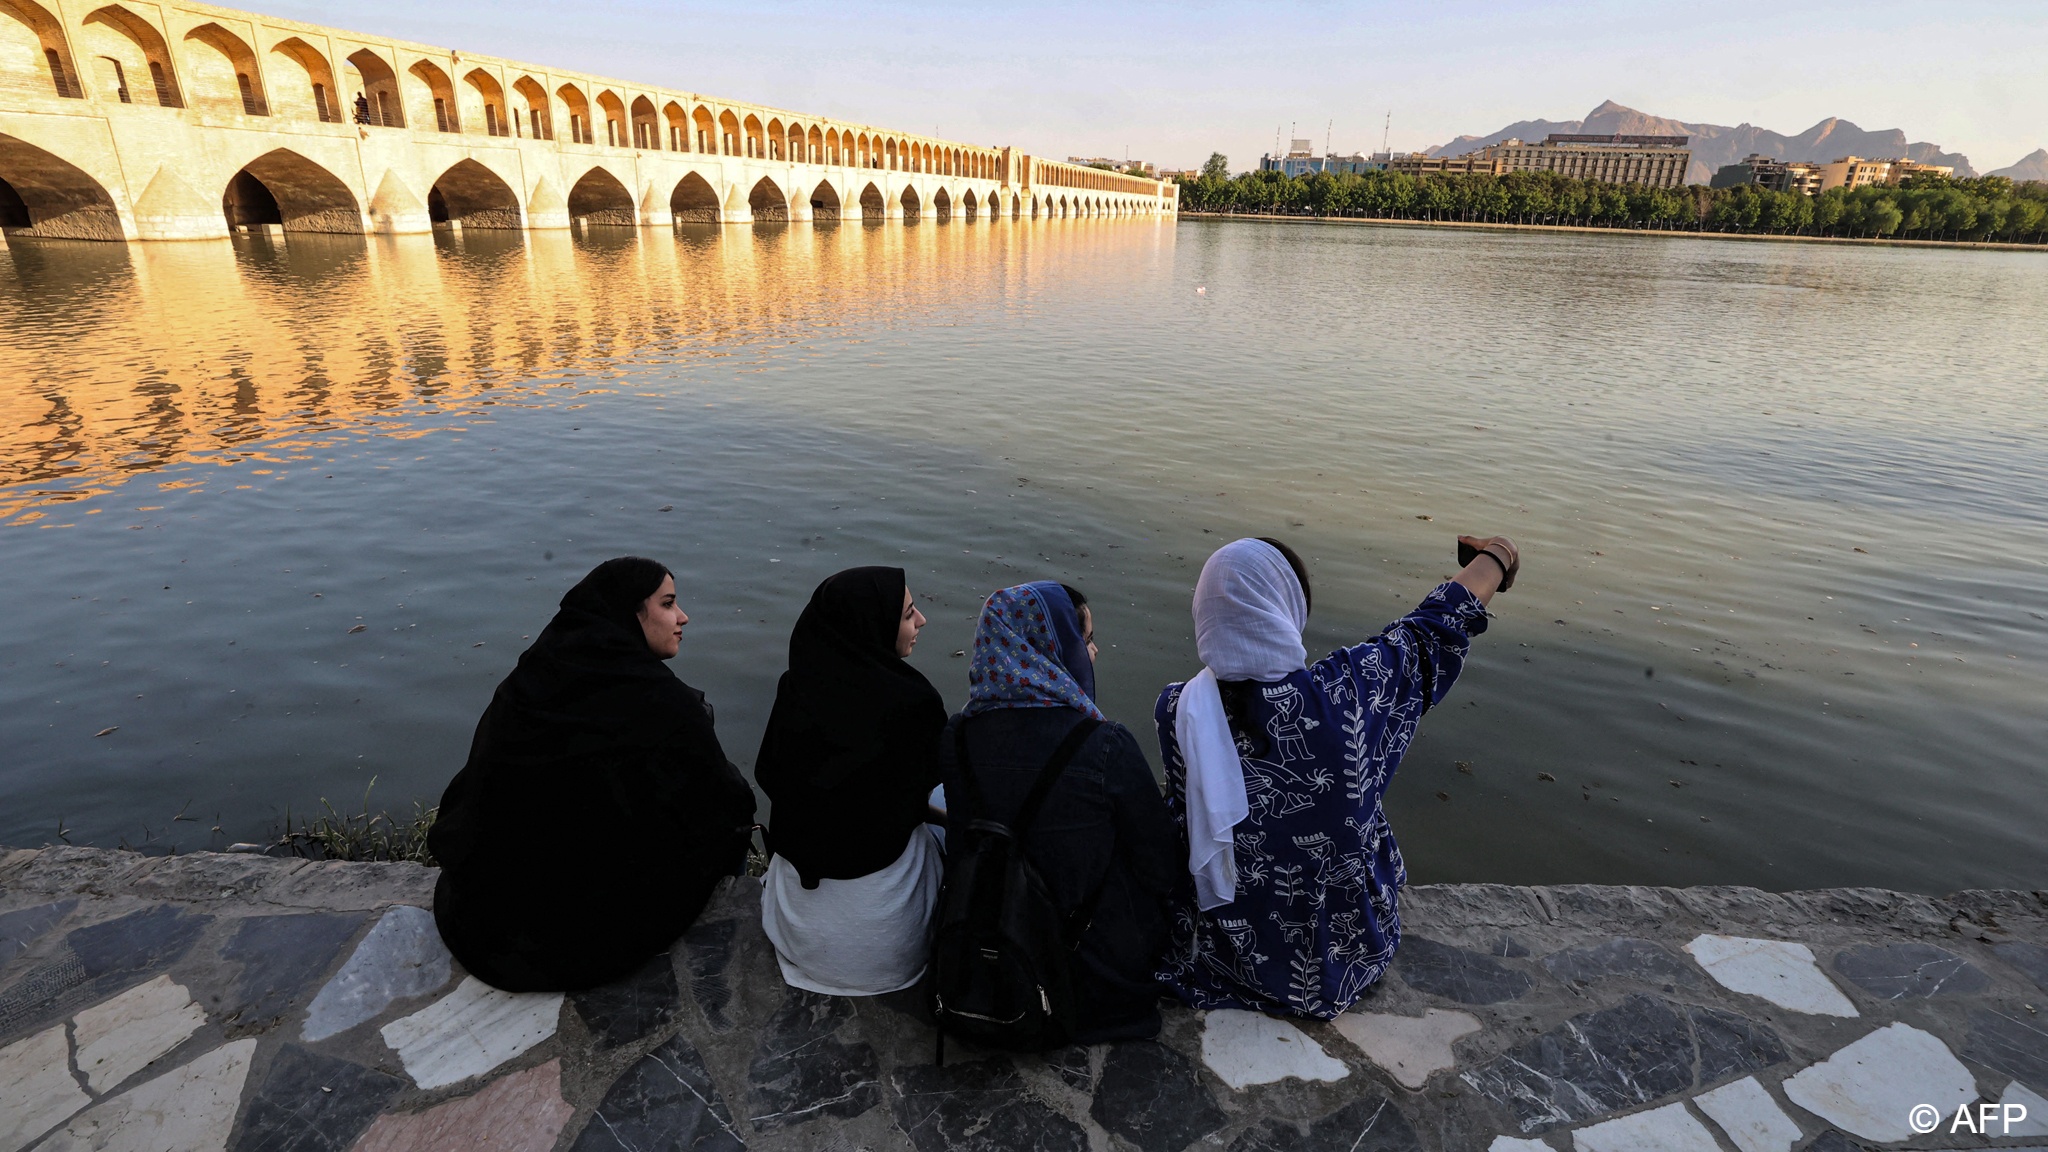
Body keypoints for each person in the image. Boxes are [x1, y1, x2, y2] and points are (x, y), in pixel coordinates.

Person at [1154, 535, 1517, 1019]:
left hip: (1228, 958)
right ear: (1287, 608)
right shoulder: (1347, 692)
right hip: (1347, 959)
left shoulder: (1179, 710)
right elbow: (1433, 628)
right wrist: (1497, 555)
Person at [428, 557, 757, 992]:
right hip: (579, 942)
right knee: (729, 822)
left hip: (485, 921)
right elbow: (724, 803)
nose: (683, 617)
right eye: (668, 604)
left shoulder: (531, 678)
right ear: (629, 615)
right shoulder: (661, 704)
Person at [935, 581, 1183, 1043]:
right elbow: (1161, 866)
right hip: (1095, 981)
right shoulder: (1104, 744)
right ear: (1050, 649)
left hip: (989, 964)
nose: (1093, 653)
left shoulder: (958, 736)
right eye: (1084, 640)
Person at [756, 567, 948, 995]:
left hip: (798, 935)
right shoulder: (912, 703)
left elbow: (770, 774)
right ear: (872, 626)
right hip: (887, 949)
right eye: (908, 614)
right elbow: (916, 790)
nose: (921, 622)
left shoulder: (796, 691)